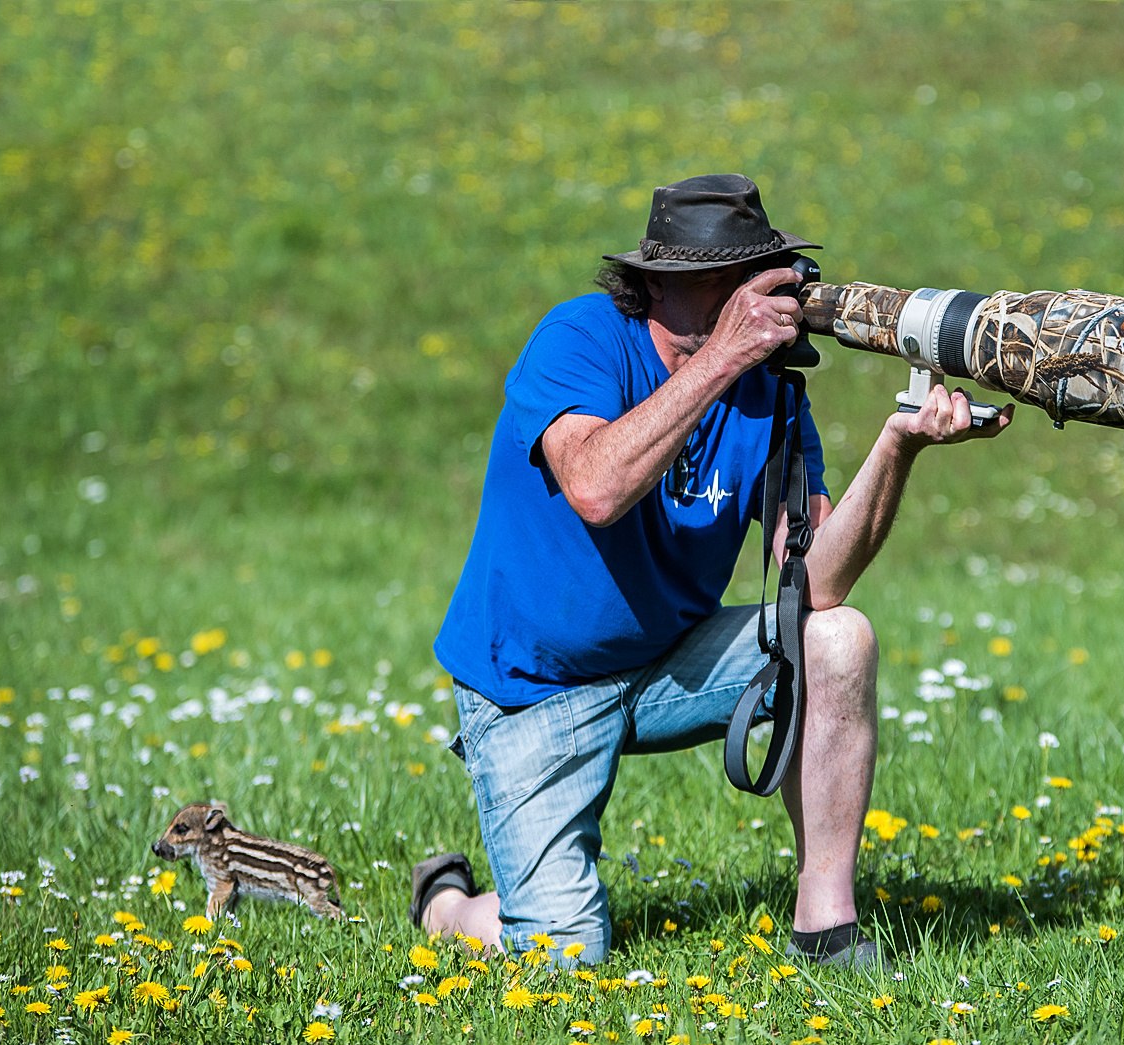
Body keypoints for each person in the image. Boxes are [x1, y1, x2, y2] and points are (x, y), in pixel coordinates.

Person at [410, 173, 1013, 970]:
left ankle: (825, 928)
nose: (751, 303)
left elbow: (816, 584)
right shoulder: (578, 339)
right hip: (536, 686)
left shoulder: (772, 392)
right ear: (659, 282)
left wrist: (897, 446)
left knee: (838, 638)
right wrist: (726, 355)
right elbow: (595, 487)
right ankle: (447, 902)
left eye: (756, 281)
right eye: (725, 283)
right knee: (561, 956)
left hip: (668, 659)